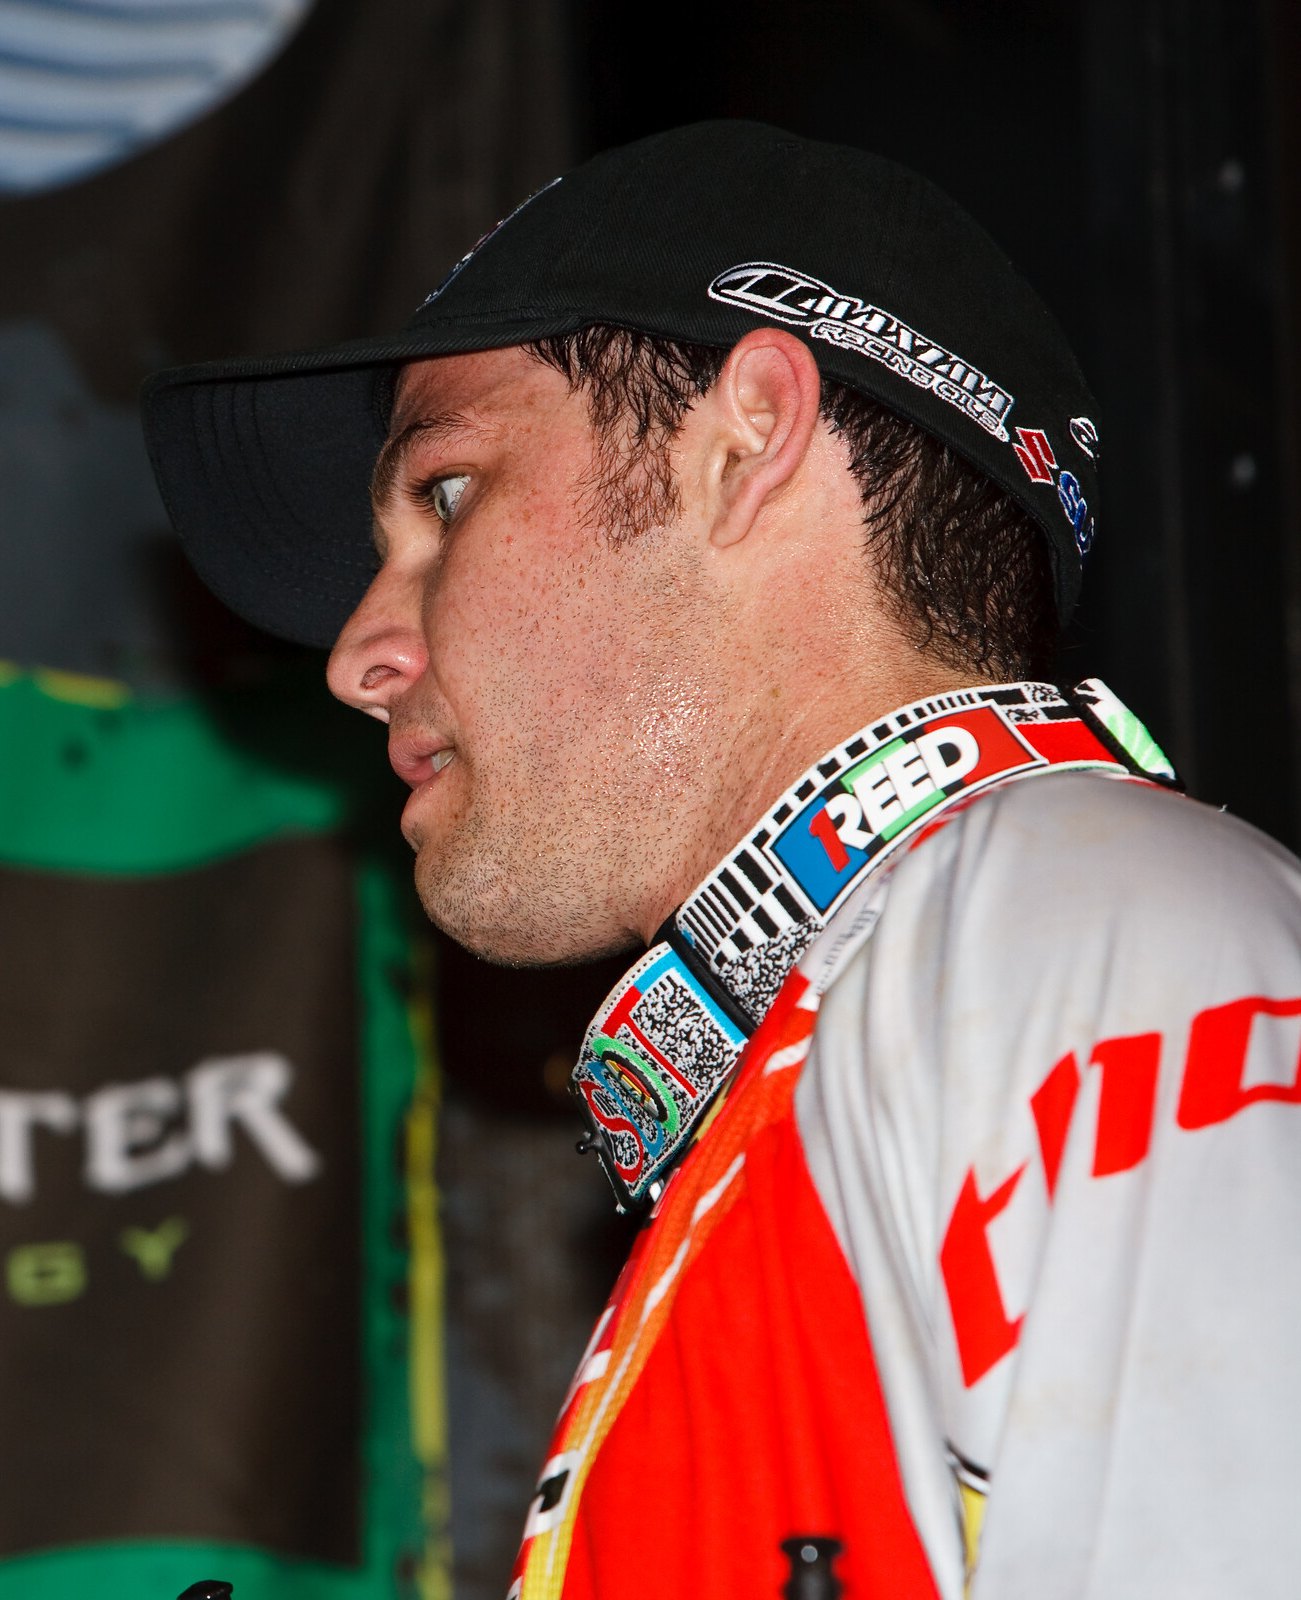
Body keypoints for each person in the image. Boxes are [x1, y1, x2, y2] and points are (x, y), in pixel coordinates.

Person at [143, 121, 1300, 1597]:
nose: (360, 657)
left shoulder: (1092, 929)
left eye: (442, 498)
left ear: (746, 439)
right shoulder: (891, 1020)